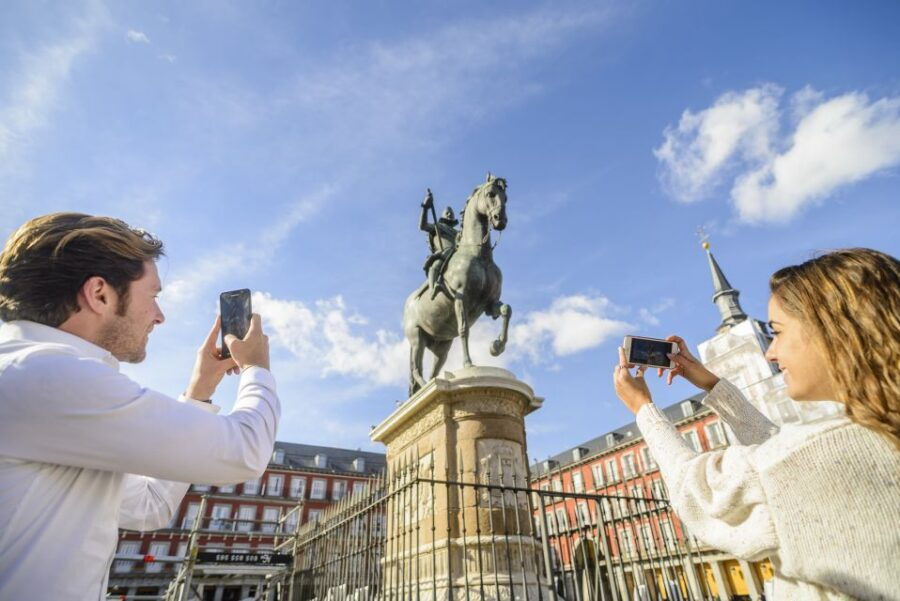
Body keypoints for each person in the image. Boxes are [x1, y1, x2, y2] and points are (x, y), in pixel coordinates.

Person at [0, 213, 280, 600]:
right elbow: (245, 452)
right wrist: (256, 368)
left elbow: (150, 507)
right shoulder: (48, 374)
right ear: (100, 294)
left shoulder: (34, 374)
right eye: (153, 296)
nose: (160, 316)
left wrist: (199, 392)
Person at [613, 248, 899, 600]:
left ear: (835, 333)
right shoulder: (876, 434)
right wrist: (712, 385)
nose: (770, 352)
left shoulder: (810, 458)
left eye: (776, 332)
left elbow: (700, 496)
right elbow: (775, 448)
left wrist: (643, 408)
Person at [418, 189, 459, 300]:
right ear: (443, 215)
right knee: (437, 264)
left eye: (451, 213)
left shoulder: (459, 233)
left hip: (458, 255)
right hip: (443, 254)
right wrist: (425, 207)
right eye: (447, 213)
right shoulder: (438, 226)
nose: (450, 214)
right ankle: (433, 288)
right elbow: (423, 226)